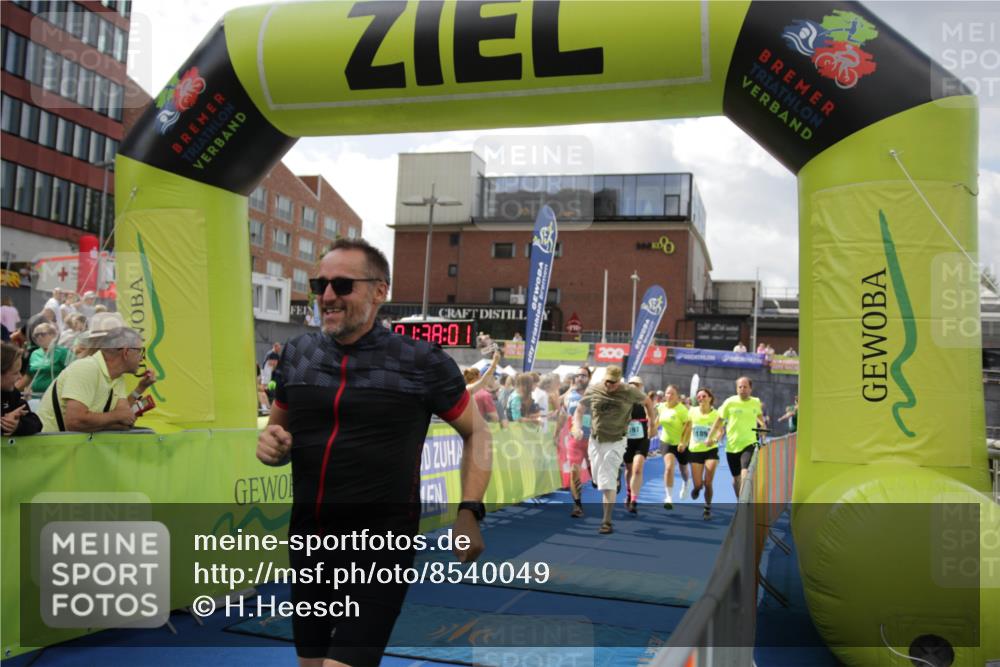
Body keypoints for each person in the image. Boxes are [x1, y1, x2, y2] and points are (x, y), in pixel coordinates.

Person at [255, 238, 491, 666]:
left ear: (379, 291)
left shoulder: (421, 361)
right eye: (319, 284)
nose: (327, 296)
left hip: (380, 545)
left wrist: (469, 510)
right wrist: (271, 446)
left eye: (343, 285)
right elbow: (276, 432)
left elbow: (479, 434)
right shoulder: (298, 354)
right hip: (309, 540)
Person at [571, 366, 655, 534]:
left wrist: (651, 422)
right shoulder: (594, 390)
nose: (610, 385)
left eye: (613, 383)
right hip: (595, 440)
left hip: (617, 440)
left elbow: (647, 402)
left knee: (607, 482)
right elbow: (580, 410)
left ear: (619, 381)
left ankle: (606, 522)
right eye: (607, 382)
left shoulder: (629, 391)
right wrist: (577, 427)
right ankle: (607, 480)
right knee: (597, 479)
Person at [36, 326, 158, 432]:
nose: (142, 358)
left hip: (67, 450)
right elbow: (75, 422)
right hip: (47, 452)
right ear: (126, 352)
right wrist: (115, 418)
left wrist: (140, 388)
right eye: (140, 351)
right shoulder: (86, 368)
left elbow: (124, 418)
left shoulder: (117, 377)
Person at [708, 376, 765, 497]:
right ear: (736, 389)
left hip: (749, 443)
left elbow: (760, 417)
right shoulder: (730, 402)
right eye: (740, 387)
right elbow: (718, 421)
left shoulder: (755, 402)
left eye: (745, 387)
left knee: (745, 474)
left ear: (750, 389)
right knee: (736, 479)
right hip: (732, 446)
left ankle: (744, 505)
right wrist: (709, 437)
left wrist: (763, 430)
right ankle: (740, 500)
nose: (742, 389)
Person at [561, 366, 592, 517]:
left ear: (589, 378)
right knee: (574, 472)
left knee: (597, 476)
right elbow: (560, 411)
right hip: (575, 440)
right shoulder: (568, 396)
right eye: (578, 375)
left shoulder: (595, 394)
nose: (580, 378)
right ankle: (577, 505)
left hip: (593, 439)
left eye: (584, 375)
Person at [687, 388, 720, 520]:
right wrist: (683, 442)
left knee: (708, 482)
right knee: (698, 485)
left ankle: (707, 507)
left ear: (710, 398)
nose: (701, 399)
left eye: (704, 396)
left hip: (711, 450)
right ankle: (696, 488)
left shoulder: (716, 414)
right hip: (695, 451)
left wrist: (714, 440)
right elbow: (687, 428)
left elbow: (720, 431)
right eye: (699, 397)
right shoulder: (692, 411)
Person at [656, 385, 691, 509]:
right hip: (666, 442)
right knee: (669, 467)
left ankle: (686, 482)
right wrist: (652, 429)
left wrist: (683, 442)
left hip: (681, 443)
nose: (669, 396)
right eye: (667, 393)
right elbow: (657, 419)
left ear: (677, 396)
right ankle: (669, 497)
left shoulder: (682, 410)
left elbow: (688, 427)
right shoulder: (661, 407)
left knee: (683, 469)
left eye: (672, 394)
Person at [623, 376, 651, 514]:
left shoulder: (645, 399)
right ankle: (629, 493)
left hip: (642, 438)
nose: (634, 386)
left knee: (637, 469)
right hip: (627, 439)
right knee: (629, 469)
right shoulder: (623, 399)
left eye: (637, 384)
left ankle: (634, 499)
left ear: (641, 386)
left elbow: (651, 414)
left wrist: (652, 428)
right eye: (631, 384)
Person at [1, 342, 42, 436]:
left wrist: (17, 425)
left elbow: (36, 423)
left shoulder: (12, 394)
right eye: (15, 373)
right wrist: (4, 424)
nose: (20, 377)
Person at [27, 323, 71, 395]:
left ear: (53, 335)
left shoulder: (63, 352)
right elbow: (29, 376)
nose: (39, 337)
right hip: (35, 394)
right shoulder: (34, 353)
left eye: (42, 334)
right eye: (36, 335)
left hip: (55, 395)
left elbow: (72, 373)